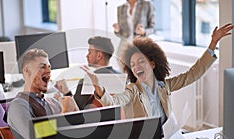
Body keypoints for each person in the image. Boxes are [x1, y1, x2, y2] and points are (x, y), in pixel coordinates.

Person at [82, 23, 234, 125]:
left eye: (141, 62)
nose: (136, 67)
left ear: (153, 64)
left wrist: (213, 44)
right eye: (133, 64)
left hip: (166, 137)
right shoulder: (133, 90)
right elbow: (114, 102)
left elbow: (193, 74)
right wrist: (98, 87)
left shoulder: (164, 86)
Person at [7, 48, 62, 139]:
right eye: (42, 67)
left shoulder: (52, 102)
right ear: (27, 71)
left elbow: (74, 129)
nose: (48, 71)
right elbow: (37, 136)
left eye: (49, 67)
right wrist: (64, 115)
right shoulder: (18, 106)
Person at [55, 36, 120, 110]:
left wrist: (66, 92)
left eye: (90, 52)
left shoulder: (87, 81)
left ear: (99, 56)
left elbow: (76, 109)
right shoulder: (121, 77)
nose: (87, 55)